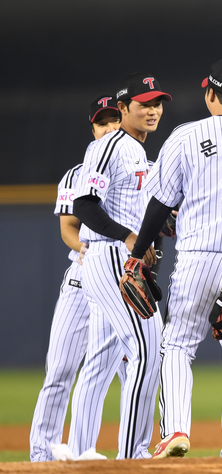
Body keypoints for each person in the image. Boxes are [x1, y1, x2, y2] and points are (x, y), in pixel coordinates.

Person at [125, 59, 222, 458]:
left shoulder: (186, 136)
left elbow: (159, 204)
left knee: (177, 344)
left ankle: (176, 429)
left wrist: (137, 256)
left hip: (196, 255)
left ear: (210, 94)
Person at [72, 72, 169, 459]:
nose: (153, 110)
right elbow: (84, 204)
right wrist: (130, 237)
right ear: (124, 107)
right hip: (112, 255)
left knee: (101, 360)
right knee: (148, 349)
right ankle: (133, 455)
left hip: (121, 258)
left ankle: (81, 453)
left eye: (157, 104)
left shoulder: (139, 153)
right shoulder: (108, 145)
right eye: (144, 104)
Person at [29, 96, 125, 462]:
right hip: (83, 277)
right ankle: (41, 455)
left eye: (115, 120)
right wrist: (84, 248)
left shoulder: (142, 166)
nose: (109, 127)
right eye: (102, 122)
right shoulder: (76, 175)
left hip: (123, 278)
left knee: (134, 368)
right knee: (60, 369)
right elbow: (69, 226)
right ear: (93, 129)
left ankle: (132, 452)